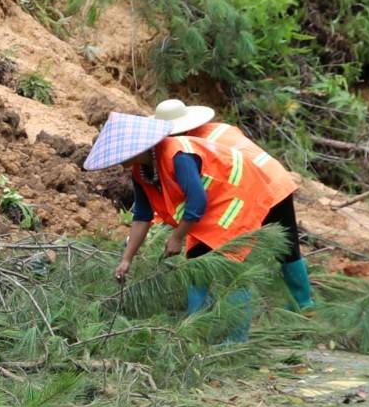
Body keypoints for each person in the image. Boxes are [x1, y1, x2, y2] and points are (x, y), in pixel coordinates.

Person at [113, 99, 313, 336]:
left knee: (237, 263)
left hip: (253, 189)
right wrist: (128, 256)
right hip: (232, 194)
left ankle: (245, 336)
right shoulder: (154, 162)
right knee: (200, 261)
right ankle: (196, 331)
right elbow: (145, 213)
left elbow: (200, 194)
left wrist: (177, 235)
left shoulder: (184, 148)